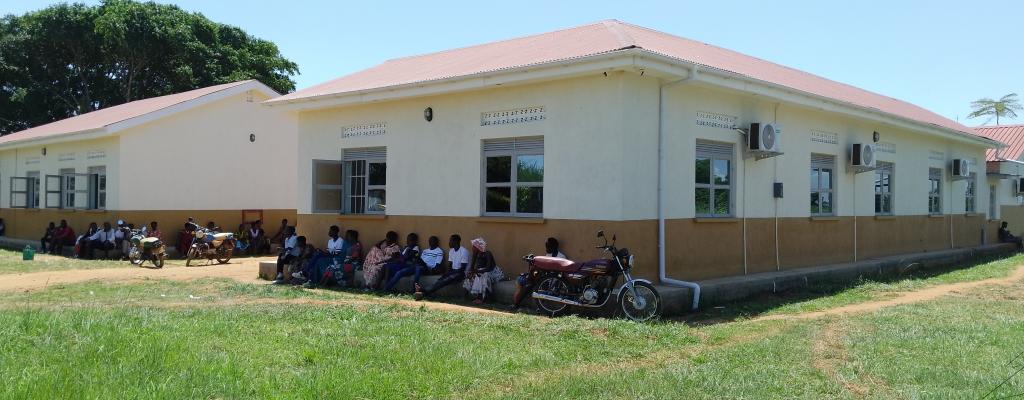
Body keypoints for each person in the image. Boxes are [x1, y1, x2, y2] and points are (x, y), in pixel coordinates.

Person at [510, 237, 567, 311]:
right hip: (544, 278)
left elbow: (559, 272)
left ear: (554, 247)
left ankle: (532, 307)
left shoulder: (561, 257)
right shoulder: (548, 255)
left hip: (552, 281)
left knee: (532, 285)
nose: (546, 248)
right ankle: (516, 304)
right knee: (529, 282)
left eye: (548, 246)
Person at [415, 234, 470, 300]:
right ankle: (424, 293)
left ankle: (424, 290)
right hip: (454, 272)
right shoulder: (451, 251)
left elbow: (462, 269)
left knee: (445, 281)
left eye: (450, 240)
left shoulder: (464, 251)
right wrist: (447, 273)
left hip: (462, 273)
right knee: (441, 279)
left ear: (456, 241)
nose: (449, 242)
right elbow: (450, 265)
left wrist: (449, 274)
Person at [464, 237, 497, 304]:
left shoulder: (487, 253)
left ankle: (484, 297)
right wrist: (471, 272)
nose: (472, 248)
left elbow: (488, 268)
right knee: (470, 277)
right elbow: (472, 268)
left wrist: (477, 272)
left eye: (474, 247)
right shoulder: (475, 255)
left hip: (493, 273)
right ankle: (467, 296)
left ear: (478, 247)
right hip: (482, 272)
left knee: (482, 276)